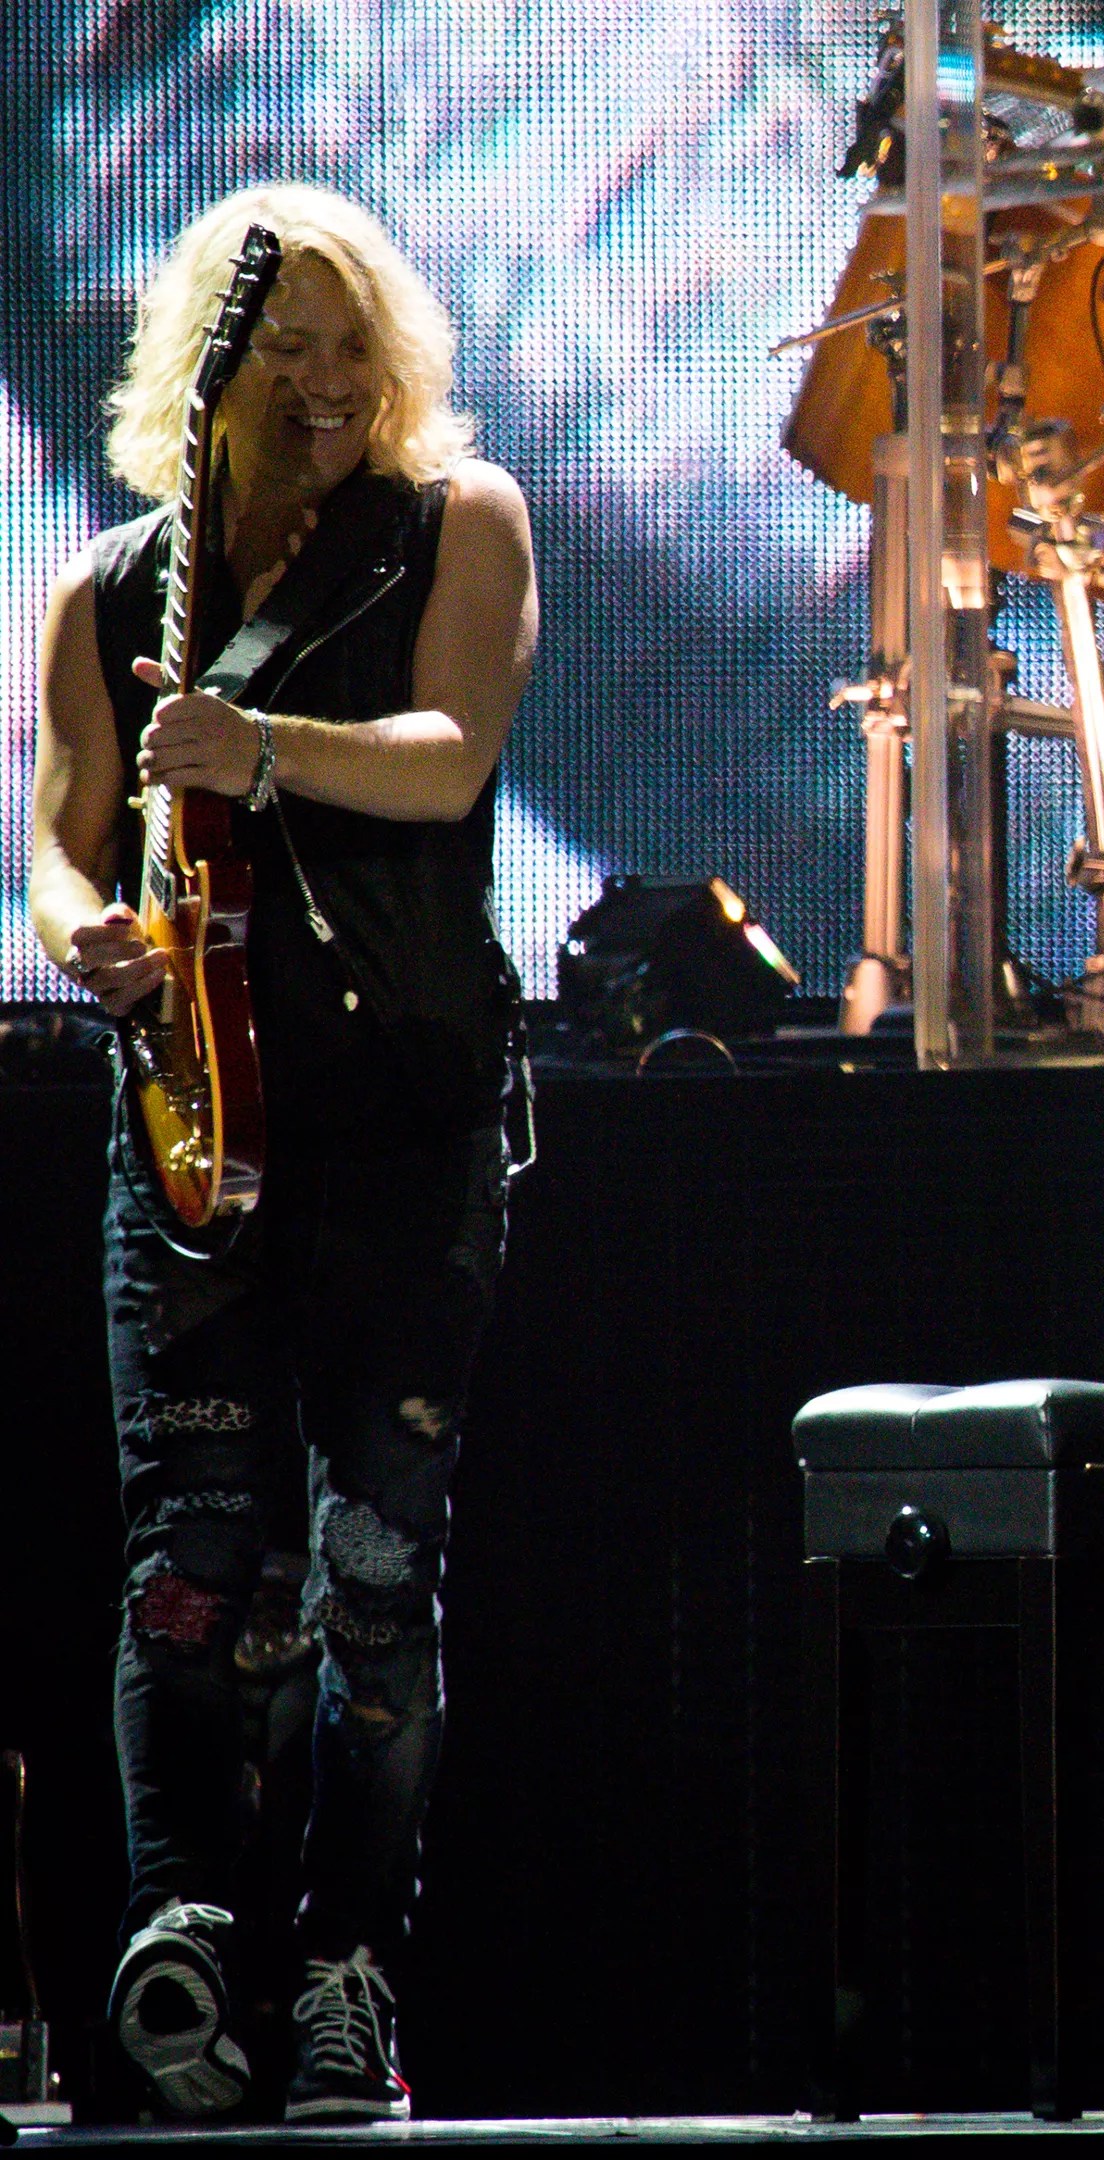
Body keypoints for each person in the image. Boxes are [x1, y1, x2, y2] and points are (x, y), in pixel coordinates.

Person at [26, 182, 537, 2124]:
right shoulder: (111, 587)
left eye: (351, 351)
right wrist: (81, 927)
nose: (325, 387)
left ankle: (345, 1973)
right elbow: (66, 829)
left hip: (401, 1128)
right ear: (208, 374)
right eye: (285, 355)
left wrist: (256, 748)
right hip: (188, 1137)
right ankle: (182, 1942)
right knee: (188, 1563)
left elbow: (452, 752)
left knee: (374, 1573)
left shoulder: (459, 524)